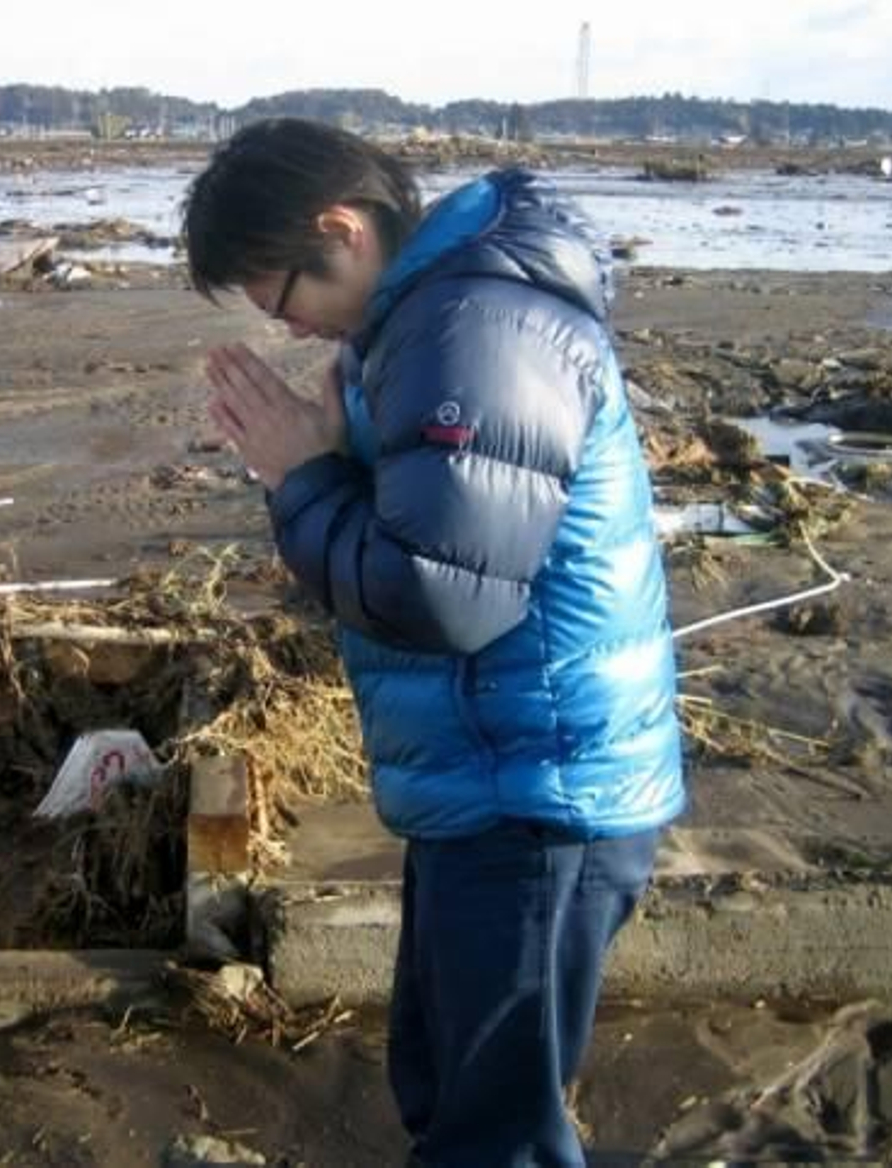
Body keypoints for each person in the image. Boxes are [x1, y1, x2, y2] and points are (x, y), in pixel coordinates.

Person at [182, 118, 684, 1167]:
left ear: (341, 230)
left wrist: (303, 478)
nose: (290, 326)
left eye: (283, 297)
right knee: (446, 1083)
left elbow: (443, 596)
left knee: (494, 1131)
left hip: (538, 789)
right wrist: (331, 461)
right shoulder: (426, 320)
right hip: (495, 773)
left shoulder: (476, 330)